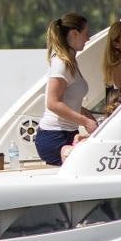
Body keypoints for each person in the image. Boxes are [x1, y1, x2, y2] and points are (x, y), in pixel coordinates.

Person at [35, 13, 98, 165]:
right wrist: (86, 122)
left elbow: (69, 101)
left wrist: (87, 114)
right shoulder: (61, 63)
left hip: (68, 134)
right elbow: (53, 103)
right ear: (75, 34)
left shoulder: (70, 62)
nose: (88, 38)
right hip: (54, 138)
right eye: (86, 34)